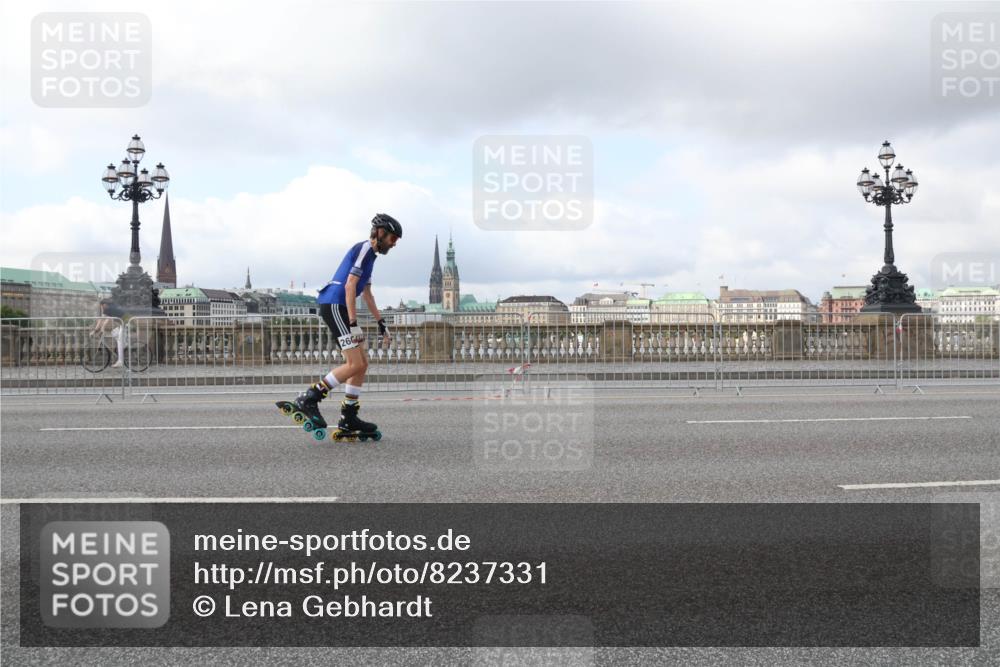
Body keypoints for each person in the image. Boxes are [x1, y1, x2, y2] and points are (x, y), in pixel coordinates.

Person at [281, 213, 401, 435]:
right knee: (354, 364)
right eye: (393, 239)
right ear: (380, 233)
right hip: (335, 304)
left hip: (341, 307)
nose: (394, 244)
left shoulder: (371, 257)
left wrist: (381, 322)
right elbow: (349, 286)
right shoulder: (364, 249)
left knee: (361, 363)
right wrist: (353, 323)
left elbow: (367, 293)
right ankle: (309, 398)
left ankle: (349, 417)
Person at [91, 299, 127, 368]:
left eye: (101, 306)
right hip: (124, 323)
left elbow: (101, 320)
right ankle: (124, 346)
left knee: (120, 342)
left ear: (104, 305)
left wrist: (95, 331)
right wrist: (102, 328)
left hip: (126, 323)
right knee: (114, 333)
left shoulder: (108, 309)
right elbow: (106, 319)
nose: (101, 308)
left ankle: (120, 361)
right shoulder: (111, 308)